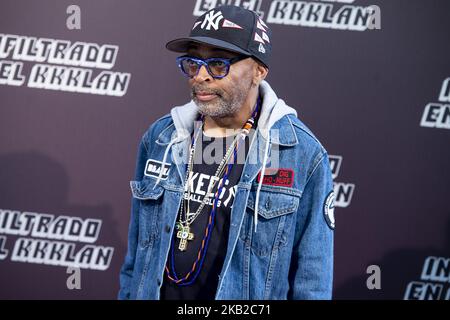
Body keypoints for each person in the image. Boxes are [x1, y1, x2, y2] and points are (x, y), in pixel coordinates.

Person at [119, 5, 335, 300]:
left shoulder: (299, 153)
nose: (201, 77)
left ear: (259, 70)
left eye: (219, 64)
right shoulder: (162, 138)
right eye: (193, 64)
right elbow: (135, 262)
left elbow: (313, 281)